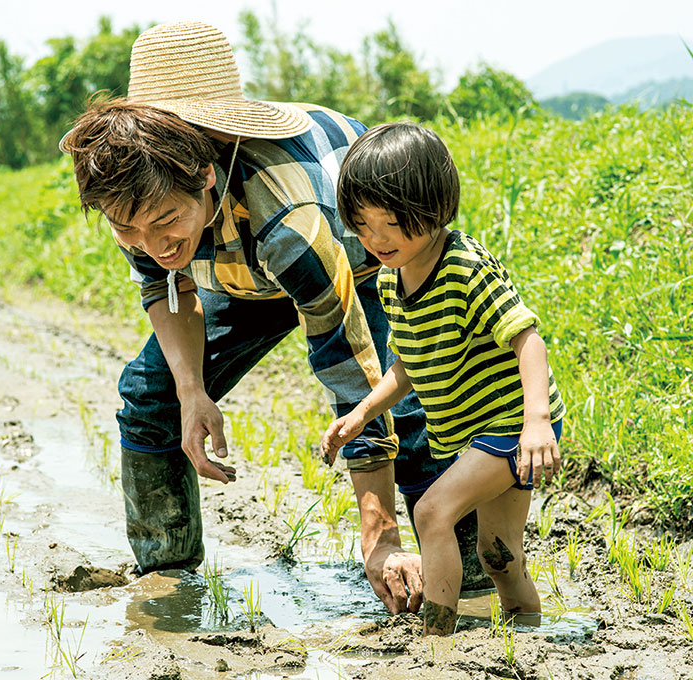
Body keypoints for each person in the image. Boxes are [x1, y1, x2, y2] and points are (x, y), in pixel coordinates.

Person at [61, 20, 491, 615]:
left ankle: (465, 575)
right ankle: (168, 576)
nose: (148, 241)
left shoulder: (290, 218)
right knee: (153, 397)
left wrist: (377, 532)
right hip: (243, 275)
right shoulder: (136, 188)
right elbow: (168, 285)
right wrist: (191, 390)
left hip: (359, 260)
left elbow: (348, 365)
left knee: (410, 407)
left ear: (204, 170)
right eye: (127, 229)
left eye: (165, 224)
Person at [321, 122, 565, 635]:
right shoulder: (390, 279)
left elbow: (528, 340)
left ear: (433, 208)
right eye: (362, 225)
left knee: (432, 511)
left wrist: (538, 424)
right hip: (474, 432)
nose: (375, 239)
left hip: (515, 422)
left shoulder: (465, 266)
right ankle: (532, 632)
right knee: (497, 552)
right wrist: (364, 411)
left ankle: (438, 639)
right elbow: (409, 363)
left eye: (389, 222)